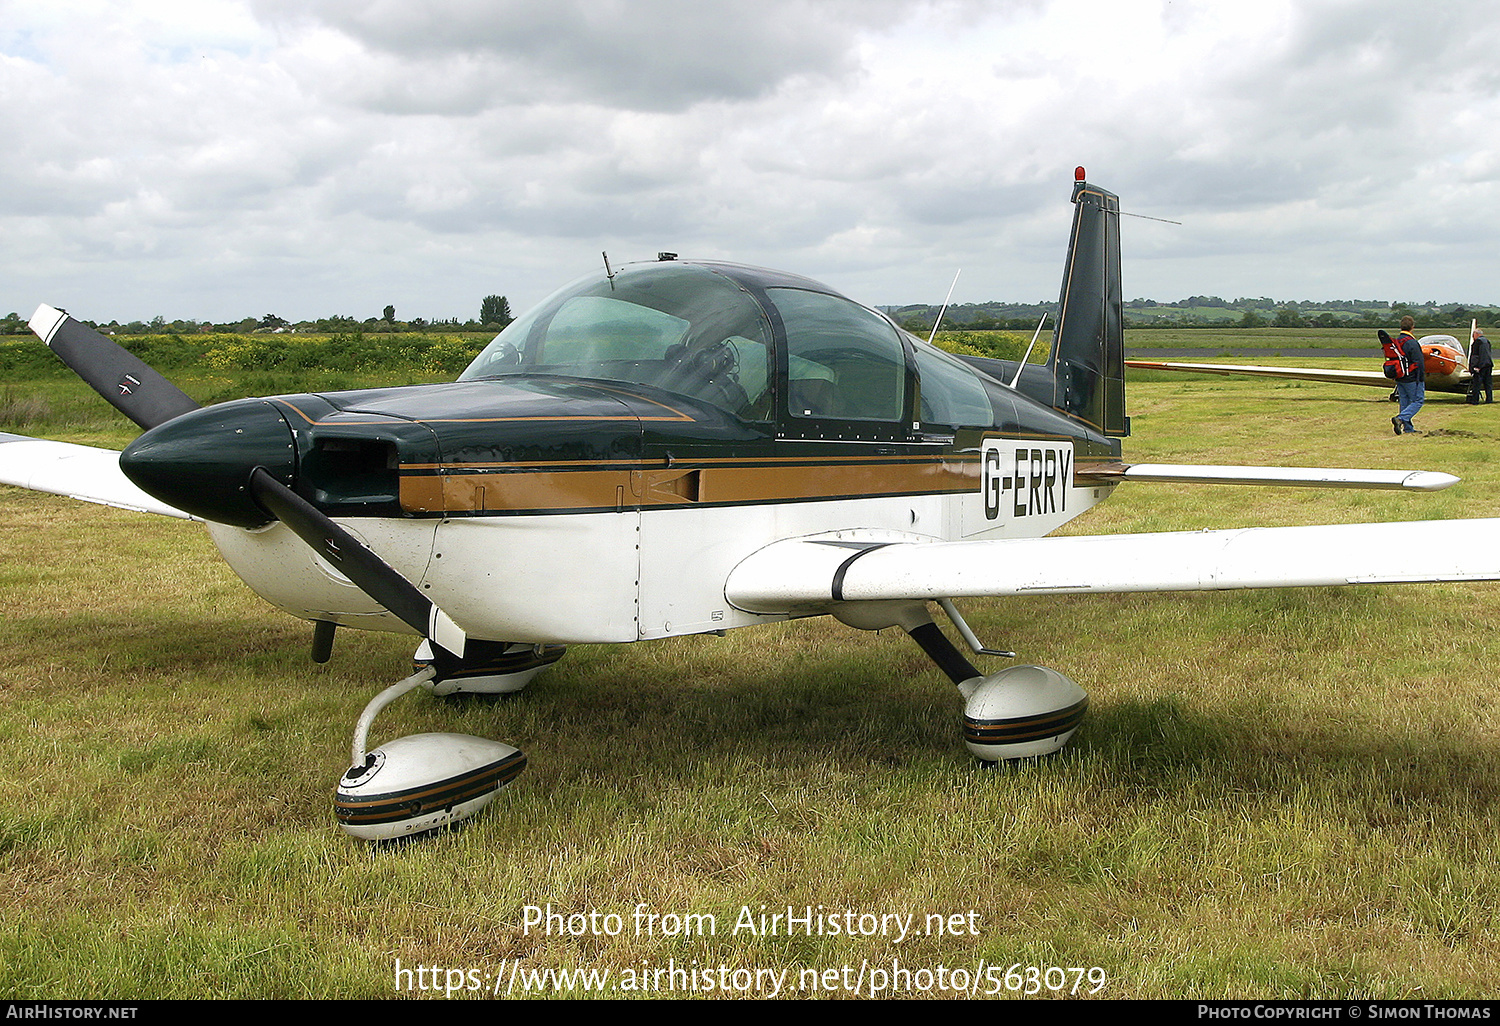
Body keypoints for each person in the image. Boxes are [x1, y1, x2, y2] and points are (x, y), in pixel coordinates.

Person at [1391, 315, 1425, 435]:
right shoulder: (1412, 343)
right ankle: (1400, 419)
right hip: (1412, 377)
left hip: (1400, 376)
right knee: (1418, 401)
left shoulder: (1396, 341)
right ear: (1412, 327)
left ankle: (1407, 428)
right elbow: (1419, 362)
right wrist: (1421, 378)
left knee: (1404, 401)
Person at [1469, 327, 1493, 405]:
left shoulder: (1477, 342)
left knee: (1477, 384)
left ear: (1477, 334)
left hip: (1480, 366)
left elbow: (1475, 356)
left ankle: (1475, 400)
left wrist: (1475, 366)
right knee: (1488, 383)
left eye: (1473, 334)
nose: (1473, 336)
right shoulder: (1487, 341)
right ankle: (1489, 399)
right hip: (1488, 364)